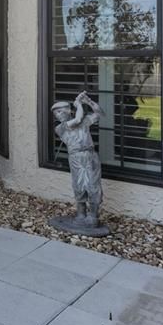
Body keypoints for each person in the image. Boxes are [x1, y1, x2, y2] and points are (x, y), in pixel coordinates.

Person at [51, 91, 104, 229]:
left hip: (90, 155)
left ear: (69, 110)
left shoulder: (84, 122)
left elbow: (99, 114)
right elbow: (78, 119)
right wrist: (78, 103)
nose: (58, 115)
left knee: (93, 185)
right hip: (76, 158)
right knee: (79, 185)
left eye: (61, 111)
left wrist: (89, 102)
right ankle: (81, 214)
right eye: (56, 113)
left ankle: (93, 216)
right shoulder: (61, 128)